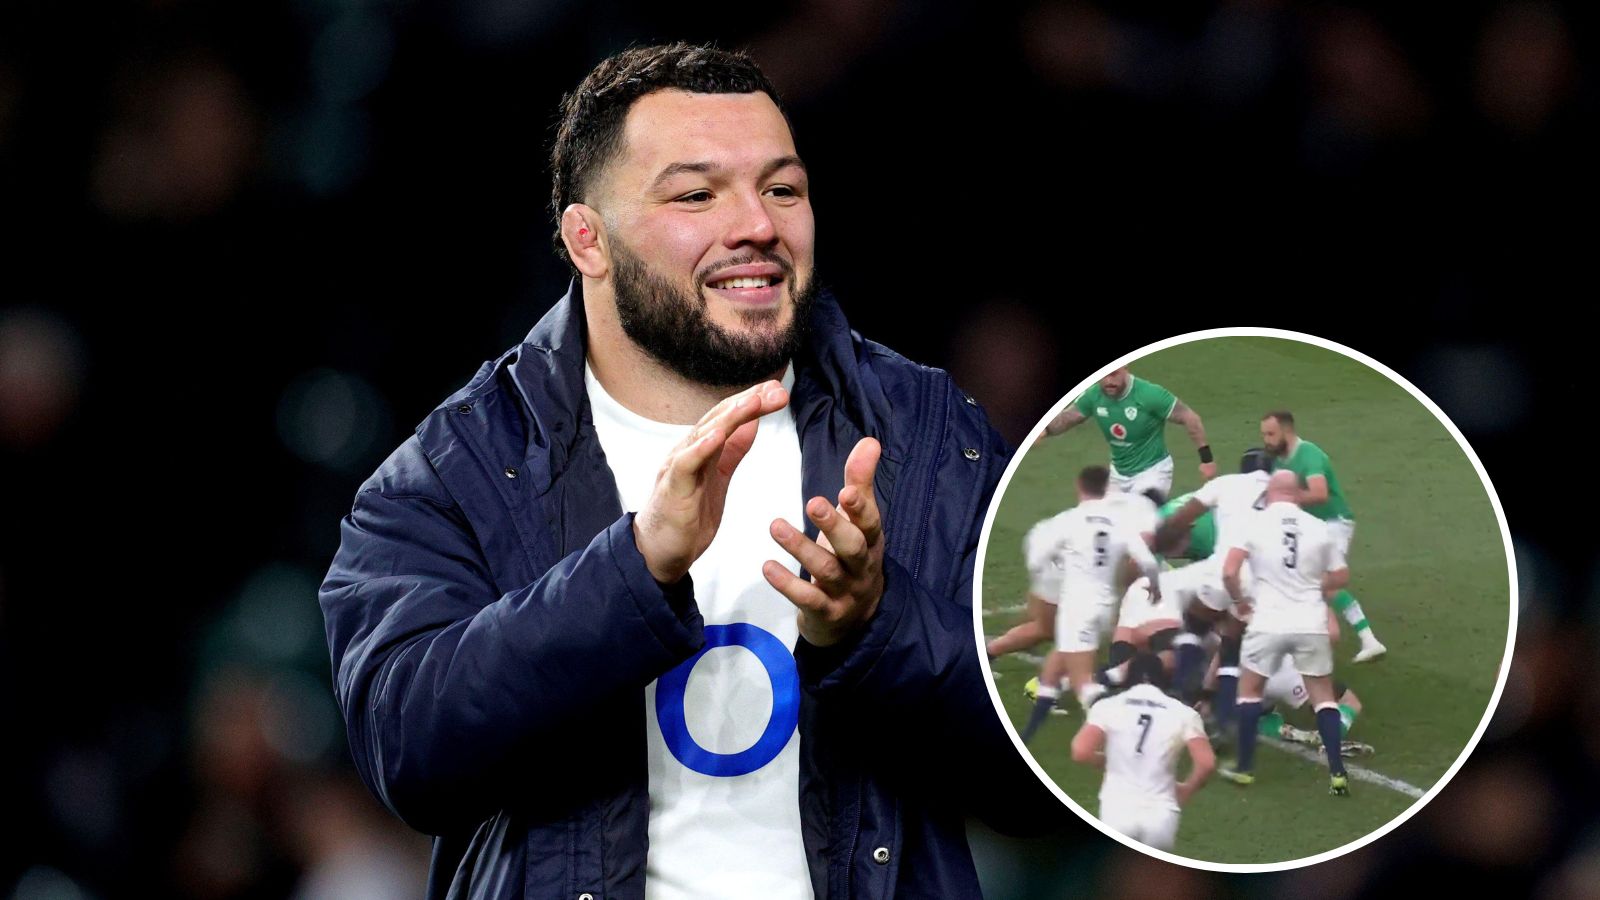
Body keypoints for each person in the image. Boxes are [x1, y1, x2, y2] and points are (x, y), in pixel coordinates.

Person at [319, 43, 1045, 900]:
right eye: (698, 195)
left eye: (782, 188)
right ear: (586, 239)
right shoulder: (459, 470)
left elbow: (1046, 776)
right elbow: (411, 754)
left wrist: (876, 624)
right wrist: (634, 569)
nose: (758, 226)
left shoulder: (924, 436)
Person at [1219, 472, 1353, 796]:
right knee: (1323, 697)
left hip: (1267, 622)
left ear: (1270, 493)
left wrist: (1240, 602)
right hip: (1310, 621)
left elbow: (1228, 570)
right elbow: (1341, 576)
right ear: (1297, 494)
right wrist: (1309, 587)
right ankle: (1337, 773)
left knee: (1249, 690)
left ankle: (1245, 769)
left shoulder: (1252, 523)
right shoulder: (1320, 529)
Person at [1018, 466, 1163, 744]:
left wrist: (1049, 577)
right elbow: (1147, 562)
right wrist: (1154, 588)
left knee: (1084, 684)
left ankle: (1124, 734)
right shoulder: (1120, 523)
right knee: (1051, 674)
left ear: (1079, 486)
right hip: (1105, 606)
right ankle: (1028, 735)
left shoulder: (1069, 520)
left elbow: (1036, 558)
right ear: (1107, 487)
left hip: (1077, 605)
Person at [1261, 411, 1387, 663]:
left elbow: (1320, 493)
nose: (1266, 440)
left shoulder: (1309, 455)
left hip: (1334, 522)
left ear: (1286, 432)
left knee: (1324, 582)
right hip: (1309, 525)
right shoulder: (1278, 461)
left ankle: (1367, 639)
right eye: (1264, 434)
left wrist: (1286, 499)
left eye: (1271, 434)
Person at [1071, 652, 1215, 852]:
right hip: (1161, 814)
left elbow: (1081, 751)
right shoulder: (1184, 713)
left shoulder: (1107, 706)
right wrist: (1187, 790)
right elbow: (1206, 763)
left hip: (1117, 808)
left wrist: (1104, 761)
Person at [1037, 367, 1216, 498]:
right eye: (1103, 375)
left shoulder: (1149, 394)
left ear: (1125, 368)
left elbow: (1189, 417)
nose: (1108, 381)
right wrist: (1043, 429)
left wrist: (1206, 459)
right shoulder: (1094, 395)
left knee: (1139, 527)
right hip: (1118, 474)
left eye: (1114, 374)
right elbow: (1068, 417)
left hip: (1153, 471)